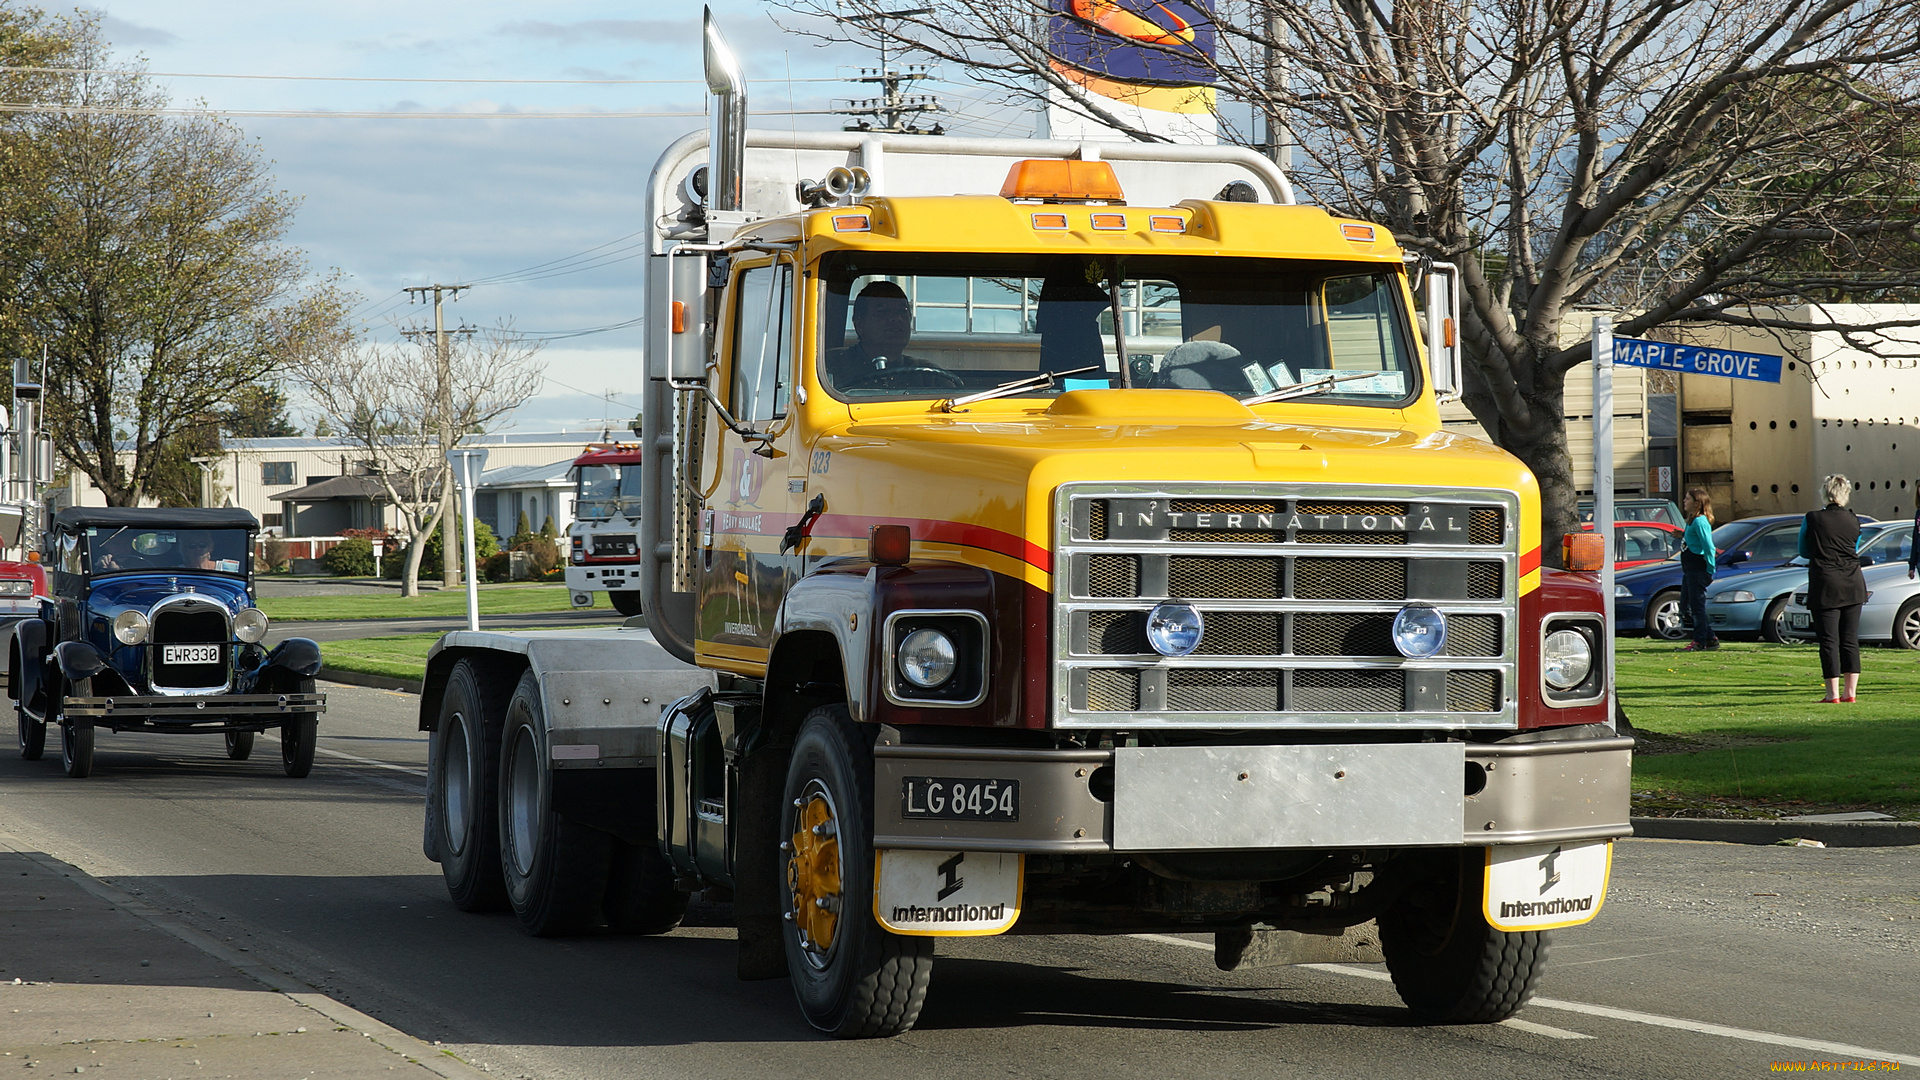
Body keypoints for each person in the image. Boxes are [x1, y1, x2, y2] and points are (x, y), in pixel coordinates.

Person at [1800, 474, 1868, 703]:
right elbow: (1854, 547)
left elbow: (1803, 549)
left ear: (1825, 493)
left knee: (1829, 640)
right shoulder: (1854, 519)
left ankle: (1832, 693)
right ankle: (1851, 693)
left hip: (1826, 582)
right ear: (1845, 494)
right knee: (1850, 639)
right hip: (1852, 581)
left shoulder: (1812, 518)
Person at [823, 281, 942, 388]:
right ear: (859, 324)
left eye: (903, 311)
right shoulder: (828, 368)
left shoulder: (928, 375)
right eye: (883, 312)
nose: (896, 318)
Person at [1677, 487, 1719, 651]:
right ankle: (1710, 638)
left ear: (1697, 503)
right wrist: (1680, 535)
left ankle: (1700, 641)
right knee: (1686, 607)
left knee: (1697, 608)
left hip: (1698, 569)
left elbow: (1708, 547)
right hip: (1689, 570)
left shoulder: (1700, 521)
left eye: (1687, 499)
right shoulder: (1692, 521)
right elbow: (1692, 539)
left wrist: (1710, 569)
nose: (1684, 502)